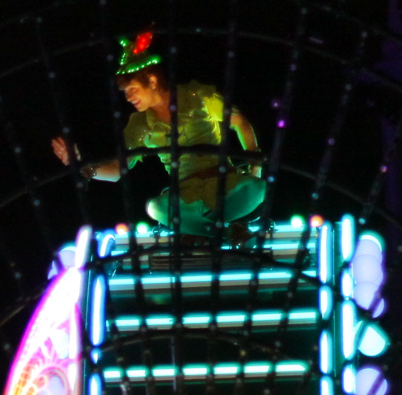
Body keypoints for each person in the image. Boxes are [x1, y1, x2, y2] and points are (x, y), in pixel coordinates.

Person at [50, 30, 266, 239]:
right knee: (156, 208)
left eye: (132, 89)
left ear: (152, 81)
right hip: (187, 199)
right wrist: (80, 164)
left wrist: (254, 164)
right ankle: (227, 233)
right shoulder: (139, 125)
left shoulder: (198, 96)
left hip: (226, 186)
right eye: (125, 92)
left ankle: (199, 231)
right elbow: (117, 171)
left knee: (258, 187)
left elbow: (240, 122)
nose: (128, 97)